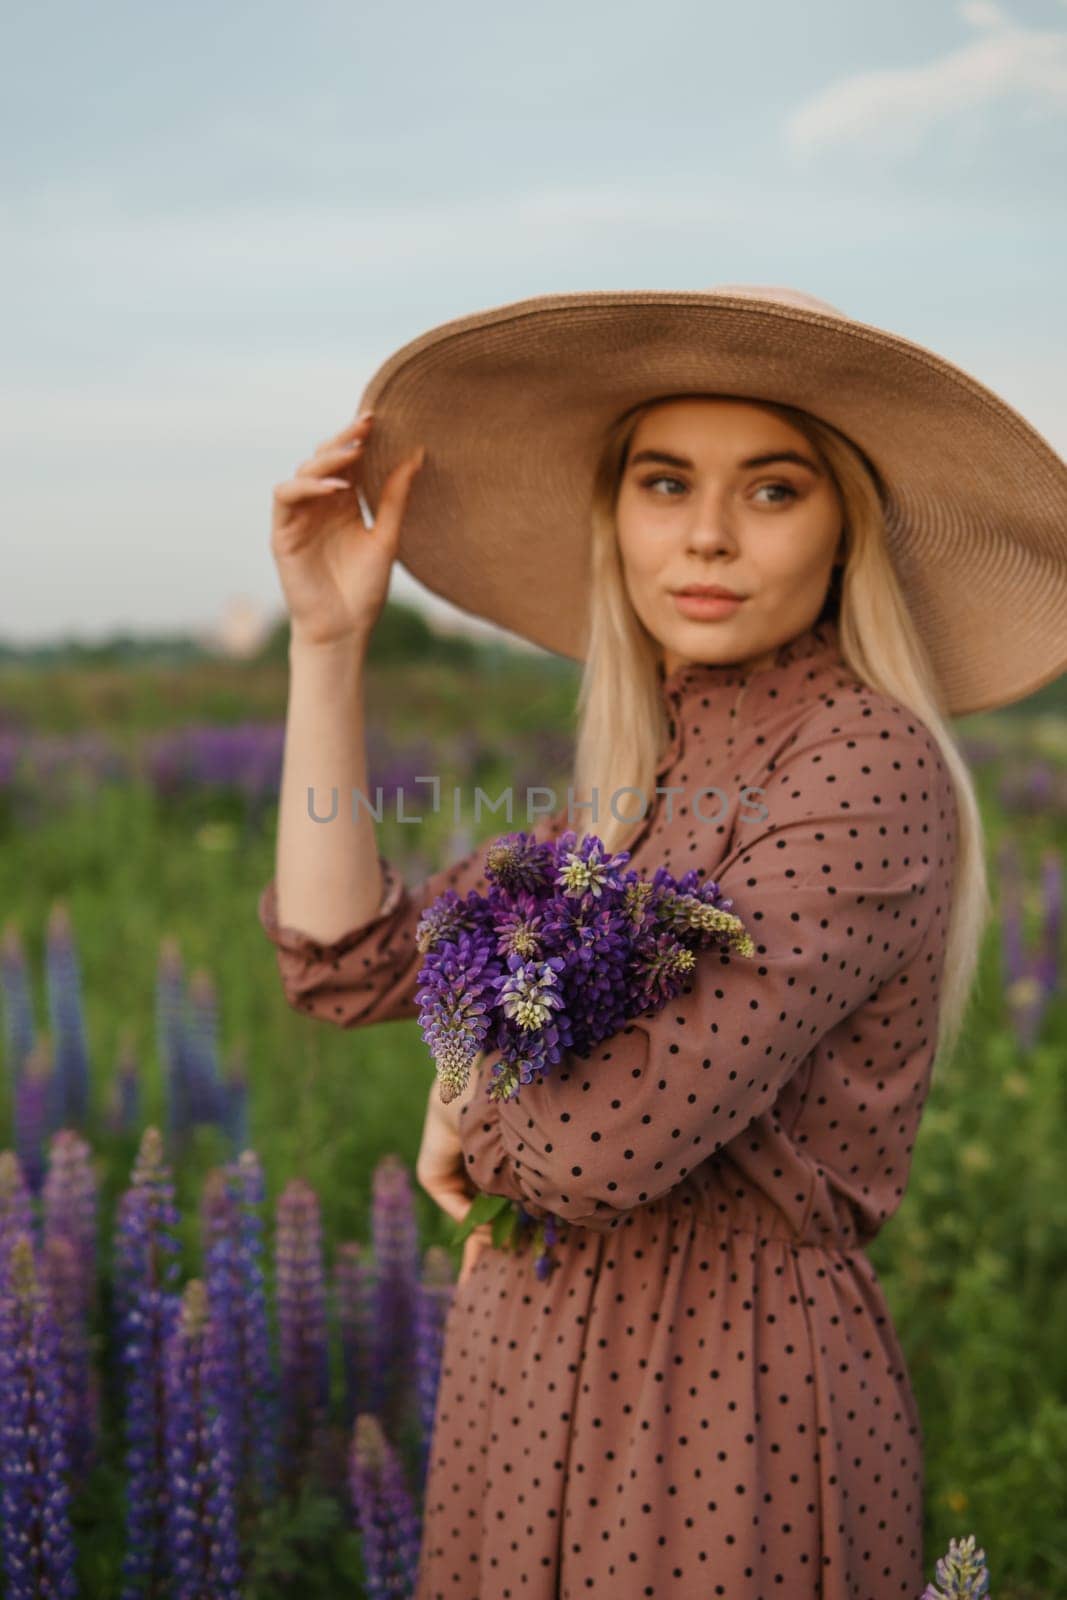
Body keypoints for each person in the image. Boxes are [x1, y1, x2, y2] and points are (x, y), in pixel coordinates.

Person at [256, 285, 1067, 1599]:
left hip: (723, 1403)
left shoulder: (863, 765)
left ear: (844, 528)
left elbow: (599, 1146)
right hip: (522, 1373)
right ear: (616, 517)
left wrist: (469, 1091)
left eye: (771, 489)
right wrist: (328, 642)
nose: (705, 535)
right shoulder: (626, 785)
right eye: (664, 480)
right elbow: (352, 959)